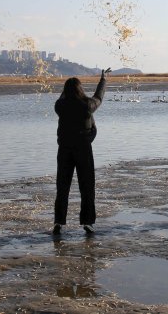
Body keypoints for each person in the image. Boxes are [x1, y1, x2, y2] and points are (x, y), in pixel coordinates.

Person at [53, 68, 111, 235]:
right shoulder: (87, 106)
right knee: (87, 186)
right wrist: (103, 80)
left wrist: (66, 91)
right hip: (83, 150)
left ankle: (58, 222)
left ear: (65, 91)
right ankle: (87, 222)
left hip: (64, 150)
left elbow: (61, 99)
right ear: (80, 89)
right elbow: (99, 97)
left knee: (62, 187)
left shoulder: (60, 106)